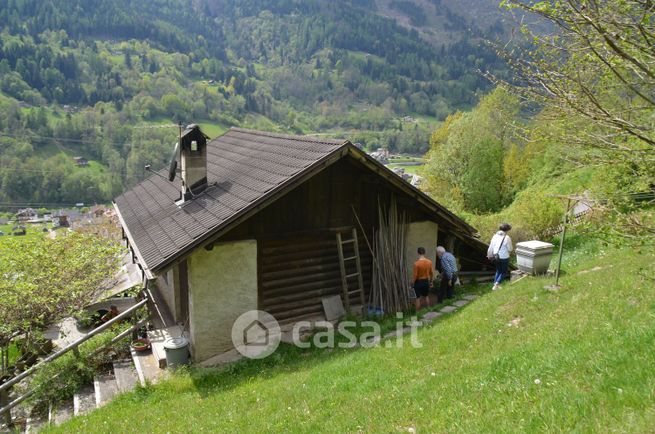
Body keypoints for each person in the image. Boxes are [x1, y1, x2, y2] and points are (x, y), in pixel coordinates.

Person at [487, 223, 513, 290]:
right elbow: (510, 249)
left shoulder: (495, 236)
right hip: (504, 257)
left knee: (498, 270)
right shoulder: (507, 238)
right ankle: (496, 284)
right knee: (504, 272)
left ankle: (495, 285)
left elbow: (491, 246)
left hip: (495, 256)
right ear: (507, 230)